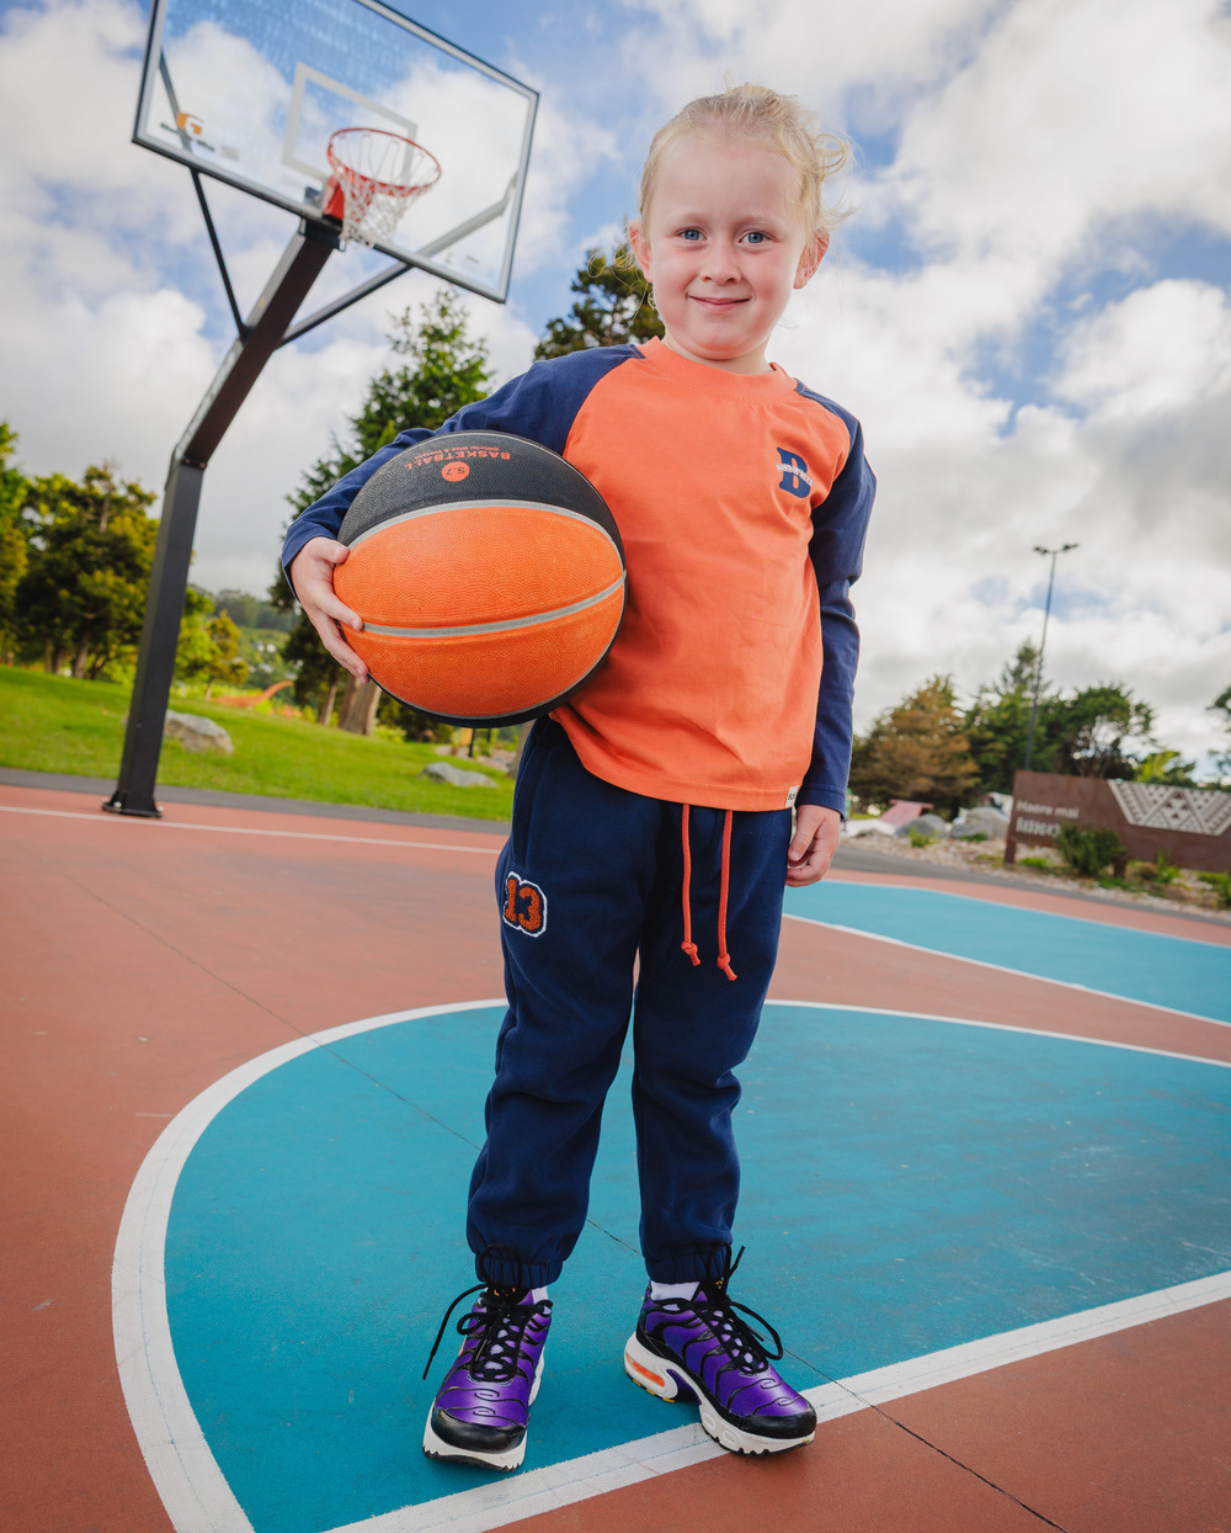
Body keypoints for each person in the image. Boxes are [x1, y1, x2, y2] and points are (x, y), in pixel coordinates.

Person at [283, 83, 875, 1473]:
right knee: (550, 1064)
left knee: (695, 1079)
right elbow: (413, 472)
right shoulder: (573, 392)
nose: (719, 264)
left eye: (753, 235)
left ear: (808, 255)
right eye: (689, 232)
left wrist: (824, 777)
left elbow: (829, 614)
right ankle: (511, 1306)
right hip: (588, 790)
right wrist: (318, 534)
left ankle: (682, 1311)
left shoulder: (829, 442)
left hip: (738, 813)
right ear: (638, 245)